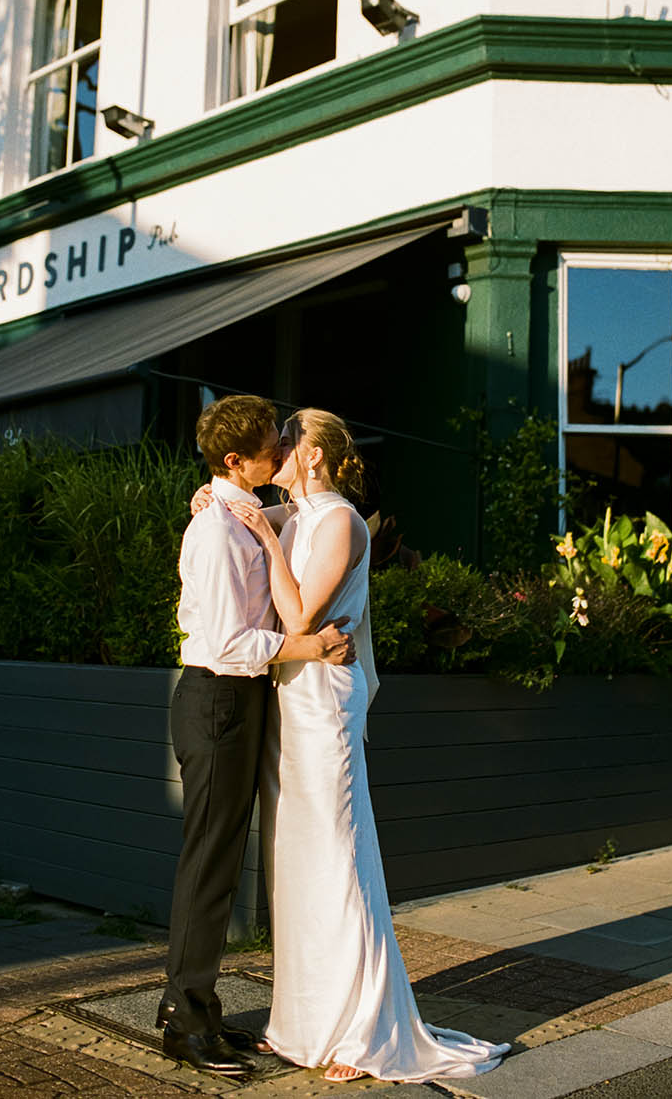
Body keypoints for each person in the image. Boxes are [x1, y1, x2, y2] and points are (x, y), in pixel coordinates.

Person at [204, 406, 510, 1084]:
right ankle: (301, 1025)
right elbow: (227, 507)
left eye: (287, 439)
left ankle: (361, 1029)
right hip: (291, 701)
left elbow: (299, 615)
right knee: (298, 864)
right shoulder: (297, 514)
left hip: (323, 709)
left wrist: (262, 527)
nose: (276, 447)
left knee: (340, 860)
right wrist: (223, 500)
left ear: (313, 454)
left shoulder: (338, 519)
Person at [157, 394, 356, 1078]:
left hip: (236, 704)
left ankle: (194, 1008)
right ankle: (185, 1021)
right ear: (237, 461)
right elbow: (229, 642)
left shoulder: (239, 514)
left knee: (216, 864)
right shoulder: (215, 531)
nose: (280, 454)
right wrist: (309, 644)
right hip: (218, 700)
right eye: (271, 447)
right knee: (208, 868)